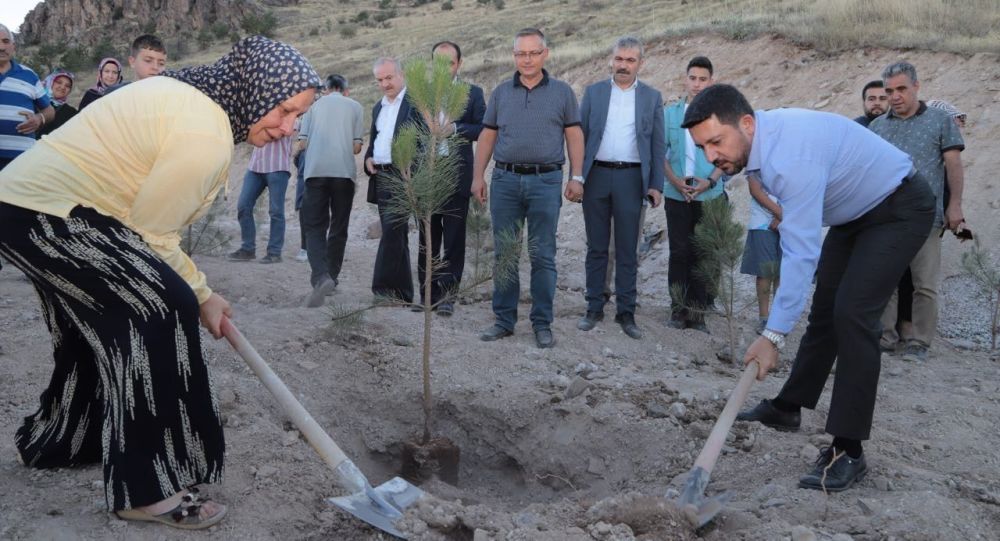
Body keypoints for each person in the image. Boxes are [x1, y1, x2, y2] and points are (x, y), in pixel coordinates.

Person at [0, 35, 320, 528]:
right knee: (158, 307)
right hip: (48, 212)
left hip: (36, 206)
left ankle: (62, 442)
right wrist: (203, 294)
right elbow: (153, 236)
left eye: (298, 116)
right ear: (254, 90)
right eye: (282, 109)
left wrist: (198, 290)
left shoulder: (193, 97)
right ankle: (145, 489)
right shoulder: (205, 131)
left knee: (102, 323)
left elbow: (139, 222)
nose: (287, 127)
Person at [682, 84, 933, 492]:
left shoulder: (790, 156)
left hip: (898, 209)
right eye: (703, 147)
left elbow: (800, 255)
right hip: (853, 215)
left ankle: (847, 449)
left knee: (852, 315)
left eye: (716, 142)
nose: (712, 156)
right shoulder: (760, 140)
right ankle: (788, 406)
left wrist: (772, 336)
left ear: (746, 124)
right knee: (826, 310)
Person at [471, 28, 584, 349]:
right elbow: (488, 136)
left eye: (534, 53)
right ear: (514, 56)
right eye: (521, 53)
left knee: (543, 255)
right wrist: (478, 176)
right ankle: (504, 320)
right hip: (505, 181)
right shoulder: (501, 93)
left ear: (545, 54)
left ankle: (541, 323)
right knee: (504, 253)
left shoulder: (562, 92)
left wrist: (577, 177)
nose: (527, 59)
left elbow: (574, 135)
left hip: (546, 182)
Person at [872, 62, 966, 363]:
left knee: (924, 283)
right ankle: (886, 337)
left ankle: (919, 342)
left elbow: (953, 166)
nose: (895, 96)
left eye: (901, 89)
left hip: (927, 216)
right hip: (887, 217)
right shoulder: (878, 127)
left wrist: (955, 206)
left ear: (916, 86)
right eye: (889, 91)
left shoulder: (940, 120)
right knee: (884, 279)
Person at [577, 36, 665, 340]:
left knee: (628, 249)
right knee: (597, 247)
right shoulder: (594, 93)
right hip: (597, 177)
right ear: (611, 60)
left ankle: (626, 312)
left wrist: (656, 184)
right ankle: (593, 307)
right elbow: (580, 138)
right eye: (619, 59)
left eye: (630, 60)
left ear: (640, 63)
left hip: (632, 179)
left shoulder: (652, 97)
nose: (623, 65)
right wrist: (577, 177)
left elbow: (656, 145)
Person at [420, 40, 486, 316]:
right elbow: (409, 130)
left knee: (454, 240)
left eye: (450, 62)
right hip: (426, 177)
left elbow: (484, 128)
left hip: (458, 175)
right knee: (427, 238)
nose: (444, 67)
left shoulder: (473, 93)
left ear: (459, 64)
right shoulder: (420, 94)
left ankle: (447, 296)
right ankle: (427, 295)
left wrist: (455, 128)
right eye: (438, 61)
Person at [662, 56, 726, 332]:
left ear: (711, 81)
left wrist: (709, 182)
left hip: (709, 195)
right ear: (685, 79)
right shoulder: (671, 114)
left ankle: (699, 312)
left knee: (704, 254)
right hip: (676, 195)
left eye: (703, 79)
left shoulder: (722, 116)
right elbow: (659, 152)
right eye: (693, 78)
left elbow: (727, 155)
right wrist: (675, 181)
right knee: (679, 253)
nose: (697, 84)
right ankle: (679, 309)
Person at [297, 74, 364, 307]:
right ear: (346, 90)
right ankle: (332, 278)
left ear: (325, 90)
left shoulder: (313, 107)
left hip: (315, 172)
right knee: (339, 226)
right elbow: (357, 147)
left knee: (314, 226)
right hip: (344, 174)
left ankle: (321, 277)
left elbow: (302, 142)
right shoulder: (355, 106)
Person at [364, 57, 424, 304]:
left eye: (389, 78)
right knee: (396, 233)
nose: (385, 84)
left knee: (391, 231)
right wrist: (368, 158)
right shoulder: (378, 107)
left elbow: (424, 140)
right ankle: (402, 294)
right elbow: (375, 140)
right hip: (382, 175)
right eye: (380, 80)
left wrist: (413, 168)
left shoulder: (415, 104)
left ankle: (382, 289)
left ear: (401, 75)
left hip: (405, 176)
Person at [228, 133, 295, 263]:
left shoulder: (289, 114)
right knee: (243, 205)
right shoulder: (260, 112)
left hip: (278, 166)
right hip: (255, 166)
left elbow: (283, 131)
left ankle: (274, 253)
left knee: (276, 211)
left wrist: (261, 127)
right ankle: (247, 249)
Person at [0, 23, 54, 171]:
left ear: (13, 46)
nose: (2, 47)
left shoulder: (29, 76)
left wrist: (39, 119)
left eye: (6, 41)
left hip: (22, 161)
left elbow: (49, 110)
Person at [741, 176, 781, 334]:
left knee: (783, 272)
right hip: (762, 221)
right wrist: (780, 214)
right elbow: (755, 189)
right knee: (765, 272)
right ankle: (764, 319)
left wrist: (782, 215)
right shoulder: (758, 154)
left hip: (790, 218)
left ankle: (779, 319)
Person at [104, 35, 168, 97]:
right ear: (132, 62)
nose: (155, 67)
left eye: (161, 63)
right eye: (148, 61)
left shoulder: (169, 94)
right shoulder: (114, 94)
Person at [37, 69, 77, 138]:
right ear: (50, 82)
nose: (63, 87)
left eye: (67, 86)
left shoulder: (71, 112)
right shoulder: (35, 103)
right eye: (59, 82)